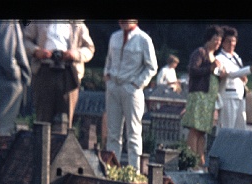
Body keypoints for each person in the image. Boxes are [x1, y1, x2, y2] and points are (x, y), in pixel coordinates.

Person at [103, 19, 157, 171]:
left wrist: (137, 84)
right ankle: (111, 170)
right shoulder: (114, 37)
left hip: (131, 88)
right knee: (113, 132)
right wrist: (107, 76)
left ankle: (134, 171)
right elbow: (109, 59)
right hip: (113, 86)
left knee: (133, 132)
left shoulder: (143, 39)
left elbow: (152, 66)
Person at [23, 20, 94, 130]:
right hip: (44, 70)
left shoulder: (77, 24)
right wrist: (37, 51)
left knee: (65, 119)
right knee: (43, 117)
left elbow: (89, 49)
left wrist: (74, 54)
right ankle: (42, 145)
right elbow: (25, 40)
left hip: (69, 72)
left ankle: (64, 145)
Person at [181, 25, 224, 169]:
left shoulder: (216, 58)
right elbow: (192, 70)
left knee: (202, 131)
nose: (217, 44)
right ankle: (191, 159)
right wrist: (210, 68)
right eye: (215, 40)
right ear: (208, 39)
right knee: (194, 129)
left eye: (219, 41)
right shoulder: (200, 52)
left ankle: (200, 161)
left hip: (209, 98)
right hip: (199, 95)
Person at [215, 26, 252, 132]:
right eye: (228, 41)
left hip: (240, 96)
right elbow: (231, 74)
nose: (232, 44)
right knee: (226, 130)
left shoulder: (236, 57)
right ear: (222, 43)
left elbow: (240, 76)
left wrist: (244, 78)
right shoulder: (219, 58)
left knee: (240, 130)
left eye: (233, 41)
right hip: (228, 96)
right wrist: (250, 69)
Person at [0, 20, 31, 139]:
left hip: (3, 76)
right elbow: (5, 51)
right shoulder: (7, 21)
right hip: (7, 80)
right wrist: (16, 74)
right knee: (3, 129)